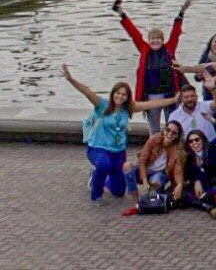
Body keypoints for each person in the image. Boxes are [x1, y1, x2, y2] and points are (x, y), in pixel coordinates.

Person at [62, 64, 176, 205]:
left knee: (118, 192)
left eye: (124, 94)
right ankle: (96, 195)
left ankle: (97, 177)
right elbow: (87, 91)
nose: (120, 97)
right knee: (104, 164)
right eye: (118, 93)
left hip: (118, 152)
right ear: (113, 93)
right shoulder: (102, 105)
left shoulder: (128, 109)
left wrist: (173, 100)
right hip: (98, 148)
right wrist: (70, 79)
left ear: (127, 97)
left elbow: (152, 104)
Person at [116, 0, 192, 134]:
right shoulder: (144, 49)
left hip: (170, 95)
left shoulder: (169, 49)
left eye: (158, 38)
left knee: (173, 126)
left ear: (163, 41)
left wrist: (181, 13)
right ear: (149, 40)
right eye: (152, 38)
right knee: (154, 129)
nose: (155, 41)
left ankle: (172, 151)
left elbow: (175, 33)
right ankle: (155, 151)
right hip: (151, 97)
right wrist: (122, 13)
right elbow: (134, 34)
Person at [180, 128, 216, 210]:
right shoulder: (190, 157)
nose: (194, 143)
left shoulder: (212, 151)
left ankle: (203, 201)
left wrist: (199, 182)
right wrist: (196, 181)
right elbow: (188, 175)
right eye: (191, 141)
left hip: (215, 184)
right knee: (184, 194)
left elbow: (214, 175)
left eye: (197, 140)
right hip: (200, 188)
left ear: (203, 140)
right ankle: (203, 203)